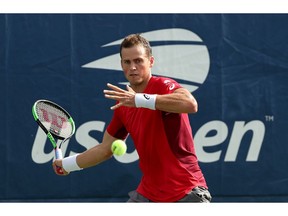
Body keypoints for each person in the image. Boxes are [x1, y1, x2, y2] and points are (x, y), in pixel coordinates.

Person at [52, 33, 212, 202]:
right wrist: (66, 164)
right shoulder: (124, 106)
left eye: (138, 61)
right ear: (121, 64)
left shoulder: (163, 86)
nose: (133, 67)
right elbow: (104, 149)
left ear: (150, 61)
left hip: (186, 192)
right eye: (127, 62)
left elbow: (190, 104)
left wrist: (138, 99)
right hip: (149, 195)